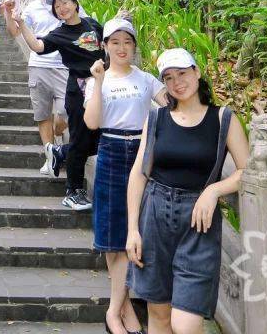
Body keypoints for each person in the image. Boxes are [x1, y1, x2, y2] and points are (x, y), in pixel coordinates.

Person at [126, 48, 249, 334]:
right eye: (168, 77)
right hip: (155, 217)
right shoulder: (157, 118)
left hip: (198, 224)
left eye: (182, 73)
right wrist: (132, 230)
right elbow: (139, 174)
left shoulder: (223, 119)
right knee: (158, 314)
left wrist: (214, 190)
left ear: (197, 72)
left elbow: (246, 170)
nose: (176, 82)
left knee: (185, 324)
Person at [84, 17, 167, 334]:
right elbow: (92, 123)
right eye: (115, 42)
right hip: (111, 149)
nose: (121, 48)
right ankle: (122, 311)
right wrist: (99, 82)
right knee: (112, 235)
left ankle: (114, 311)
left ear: (134, 46)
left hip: (144, 153)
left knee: (136, 231)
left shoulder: (146, 79)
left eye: (127, 42)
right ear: (104, 46)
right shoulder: (98, 79)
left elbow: (173, 105)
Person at [4, 0, 103, 210]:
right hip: (78, 90)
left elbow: (108, 43)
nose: (61, 8)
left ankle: (59, 152)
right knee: (79, 139)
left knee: (98, 141)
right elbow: (38, 46)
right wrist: (22, 23)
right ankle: (73, 192)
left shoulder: (92, 24)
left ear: (75, 3)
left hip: (100, 87)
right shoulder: (60, 33)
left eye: (65, 2)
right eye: (57, 6)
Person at [2, 0, 70, 174]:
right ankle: (50, 157)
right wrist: (8, 12)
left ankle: (58, 137)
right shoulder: (31, 8)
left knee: (65, 112)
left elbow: (84, 23)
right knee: (42, 114)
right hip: (39, 65)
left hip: (64, 66)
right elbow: (15, 32)